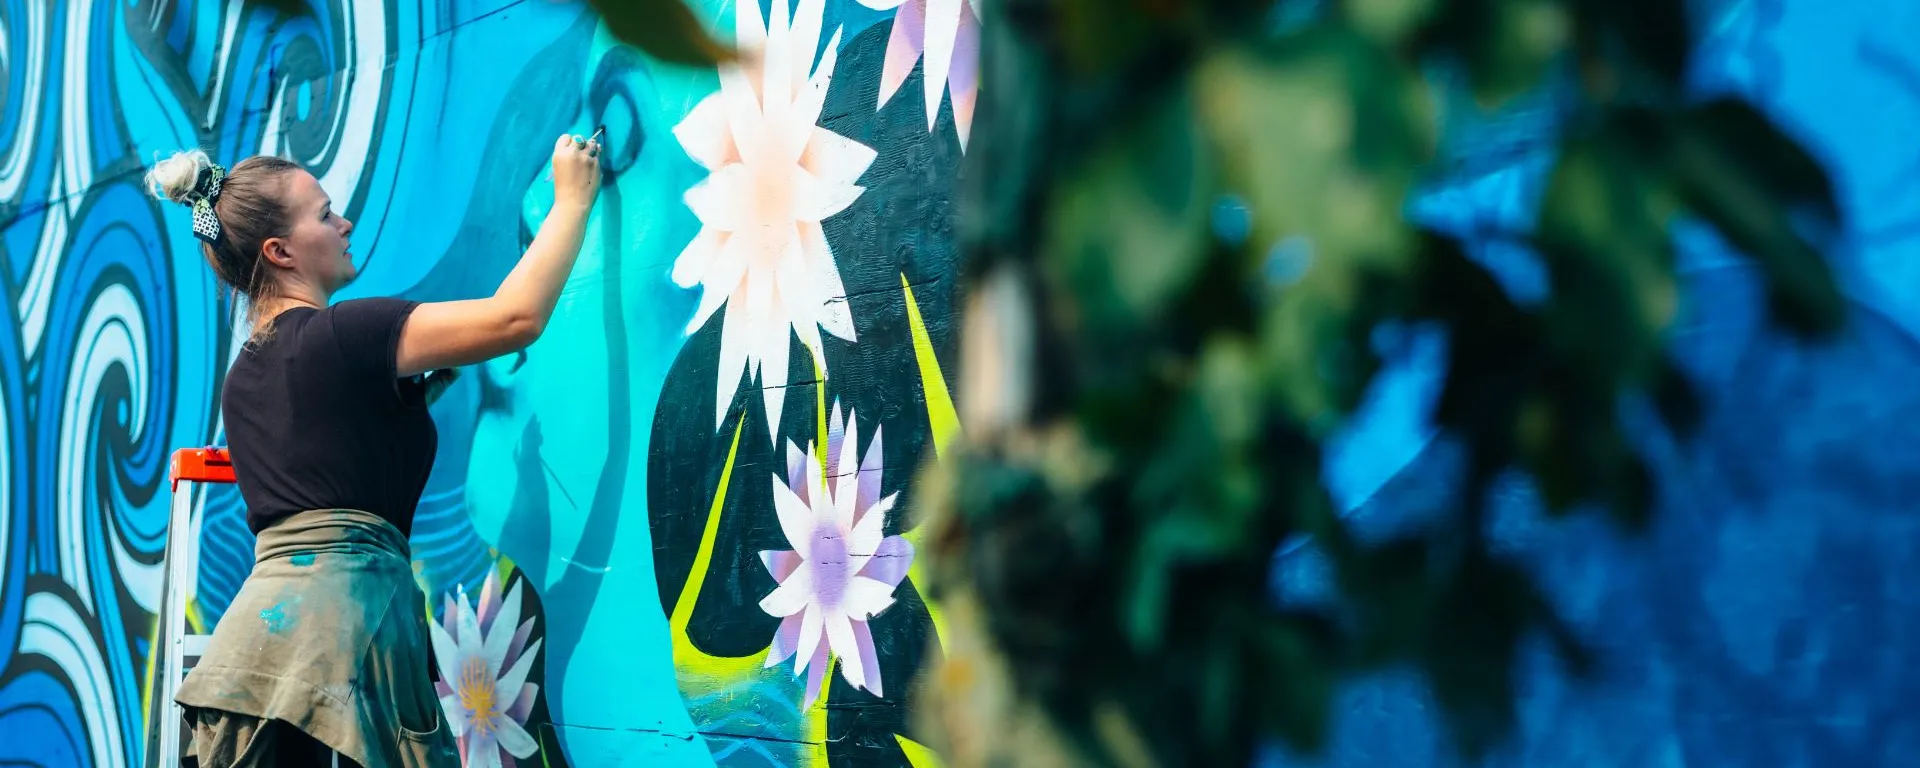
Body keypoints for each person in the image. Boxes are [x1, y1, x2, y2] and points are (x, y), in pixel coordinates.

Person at [143, 132, 602, 767]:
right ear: (280, 251)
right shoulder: (350, 333)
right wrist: (573, 200)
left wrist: (398, 405)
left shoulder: (244, 378)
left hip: (254, 653)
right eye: (326, 214)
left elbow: (325, 469)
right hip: (344, 640)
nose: (345, 222)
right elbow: (512, 319)